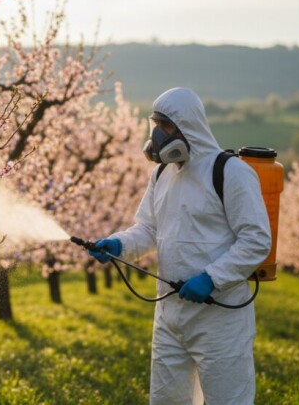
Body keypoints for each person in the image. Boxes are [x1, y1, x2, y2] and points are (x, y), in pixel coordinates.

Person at [89, 87, 271, 405]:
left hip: (220, 320)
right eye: (155, 124)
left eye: (167, 126)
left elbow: (256, 240)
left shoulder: (231, 173)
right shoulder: (162, 173)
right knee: (165, 400)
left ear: (188, 126)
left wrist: (212, 279)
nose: (158, 134)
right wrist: (118, 244)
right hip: (169, 316)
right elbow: (148, 229)